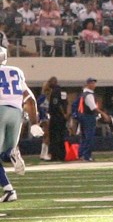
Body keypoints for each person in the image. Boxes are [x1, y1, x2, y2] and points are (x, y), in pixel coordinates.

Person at [0, 40, 43, 201]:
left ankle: (9, 190)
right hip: (17, 113)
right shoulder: (16, 71)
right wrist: (34, 123)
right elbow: (30, 99)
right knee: (4, 153)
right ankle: (9, 189)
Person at [43, 75, 66, 162]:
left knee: (54, 137)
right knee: (61, 136)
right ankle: (62, 155)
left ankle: (55, 155)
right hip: (61, 118)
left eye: (50, 82)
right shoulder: (62, 91)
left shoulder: (55, 92)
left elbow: (57, 104)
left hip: (56, 117)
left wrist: (62, 114)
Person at [76, 77, 100, 161]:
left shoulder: (83, 94)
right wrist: (103, 114)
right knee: (89, 136)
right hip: (88, 116)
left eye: (94, 83)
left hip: (83, 116)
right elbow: (93, 107)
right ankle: (86, 155)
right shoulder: (89, 95)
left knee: (84, 137)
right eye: (92, 83)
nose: (94, 85)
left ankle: (81, 154)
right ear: (88, 84)